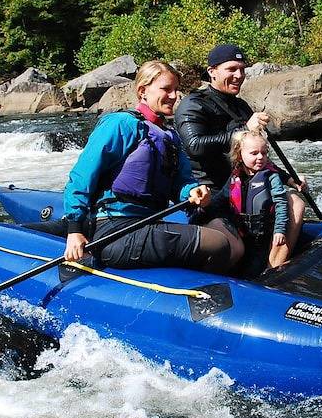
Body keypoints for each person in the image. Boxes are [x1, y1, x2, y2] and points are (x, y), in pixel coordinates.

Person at [60, 60, 233, 272]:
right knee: (218, 243)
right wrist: (75, 230)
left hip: (146, 224)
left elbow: (181, 183)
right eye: (166, 89)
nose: (174, 96)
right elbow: (82, 176)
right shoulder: (121, 124)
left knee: (219, 241)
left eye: (176, 90)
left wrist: (192, 191)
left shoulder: (169, 136)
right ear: (143, 91)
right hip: (114, 229)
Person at [174, 44, 306, 254]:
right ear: (212, 72)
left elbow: (254, 154)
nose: (239, 75)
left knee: (295, 203)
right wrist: (244, 129)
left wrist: (288, 178)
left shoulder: (241, 106)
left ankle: (274, 269)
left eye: (242, 69)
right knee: (235, 247)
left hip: (245, 187)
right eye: (232, 69)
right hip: (212, 193)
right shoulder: (192, 104)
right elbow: (195, 146)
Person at [224, 130, 290, 275]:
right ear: (239, 154)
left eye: (264, 153)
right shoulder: (235, 176)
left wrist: (279, 230)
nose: (260, 157)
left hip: (262, 238)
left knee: (253, 271)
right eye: (254, 153)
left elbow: (281, 203)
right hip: (242, 234)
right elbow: (221, 199)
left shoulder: (271, 176)